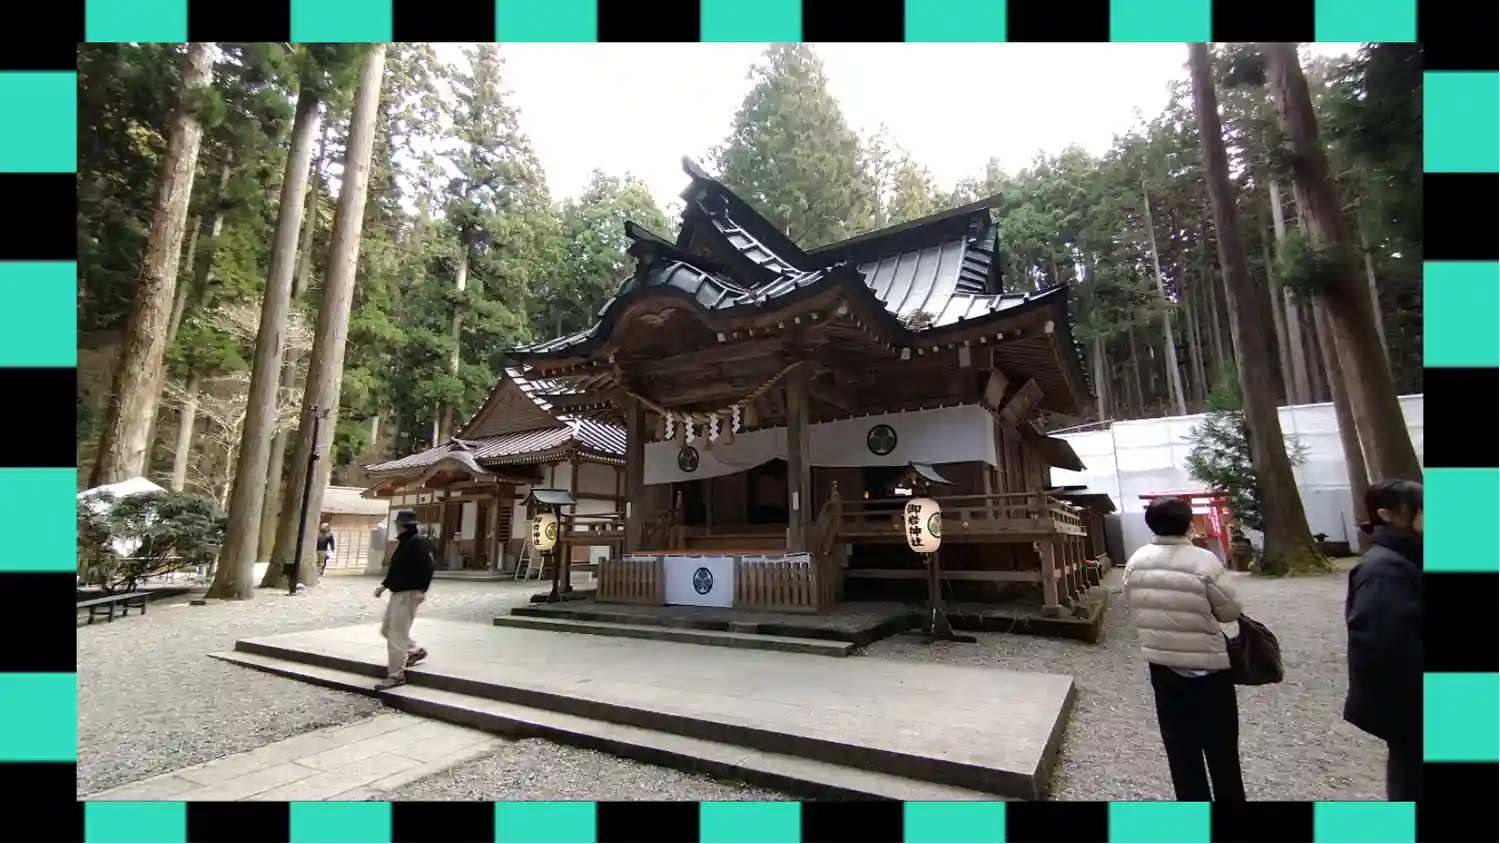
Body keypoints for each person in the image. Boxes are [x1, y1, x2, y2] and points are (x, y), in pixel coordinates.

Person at [1124, 496, 1246, 801]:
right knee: (1222, 752)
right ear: (1188, 523)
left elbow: (1134, 604)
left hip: (1163, 667)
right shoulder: (1204, 561)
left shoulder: (1136, 561)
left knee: (1180, 751)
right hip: (1210, 670)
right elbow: (1230, 612)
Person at [1344, 479, 1423, 802]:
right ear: (1388, 515)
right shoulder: (1382, 572)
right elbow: (1384, 651)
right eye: (1422, 510)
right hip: (1419, 711)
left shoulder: (1411, 558)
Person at [373, 509, 435, 690]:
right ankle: (414, 651)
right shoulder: (404, 543)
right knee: (387, 629)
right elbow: (397, 569)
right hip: (398, 592)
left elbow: (428, 567)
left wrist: (422, 589)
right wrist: (384, 585)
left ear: (402, 525)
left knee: (396, 635)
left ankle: (396, 675)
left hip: (409, 593)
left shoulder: (418, 542)